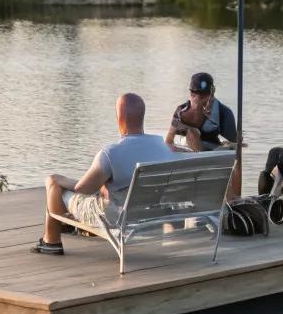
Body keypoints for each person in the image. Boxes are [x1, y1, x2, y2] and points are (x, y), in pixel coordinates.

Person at [32, 91, 177, 254]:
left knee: (53, 183)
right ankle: (59, 236)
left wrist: (62, 180)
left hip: (113, 217)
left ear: (120, 119)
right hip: (146, 214)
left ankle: (51, 242)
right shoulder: (162, 147)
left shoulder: (111, 153)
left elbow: (83, 190)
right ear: (142, 117)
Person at [166, 72, 237, 153]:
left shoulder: (224, 113)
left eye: (203, 97)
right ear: (190, 93)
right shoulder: (180, 112)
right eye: (194, 95)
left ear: (212, 94)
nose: (198, 101)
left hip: (213, 149)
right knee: (191, 132)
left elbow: (234, 145)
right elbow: (168, 141)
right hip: (188, 149)